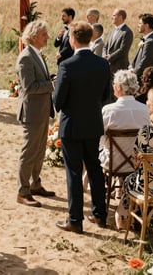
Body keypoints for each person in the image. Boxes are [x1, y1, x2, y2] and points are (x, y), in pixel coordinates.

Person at [54, 21, 111, 233]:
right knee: (95, 169)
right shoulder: (103, 64)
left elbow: (58, 102)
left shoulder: (67, 66)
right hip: (93, 123)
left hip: (71, 126)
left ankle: (75, 220)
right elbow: (106, 96)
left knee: (74, 173)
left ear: (72, 39)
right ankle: (100, 215)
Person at [16, 20, 55, 207]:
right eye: (44, 34)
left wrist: (49, 80)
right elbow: (29, 87)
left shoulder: (37, 54)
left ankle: (35, 184)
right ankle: (22, 191)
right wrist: (51, 85)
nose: (47, 37)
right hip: (32, 112)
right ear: (33, 36)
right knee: (29, 152)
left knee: (39, 151)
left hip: (42, 110)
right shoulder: (26, 57)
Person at [114, 87, 153, 230]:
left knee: (129, 179)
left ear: (152, 106)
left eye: (148, 102)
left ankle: (124, 217)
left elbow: (135, 161)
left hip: (148, 189)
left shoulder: (147, 132)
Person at [99, 70, 150, 175]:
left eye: (114, 84)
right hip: (138, 163)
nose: (112, 86)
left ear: (119, 87)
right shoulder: (145, 109)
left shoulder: (108, 110)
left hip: (113, 163)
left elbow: (100, 140)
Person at [103, 8, 133, 75]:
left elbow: (123, 49)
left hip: (119, 68)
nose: (112, 17)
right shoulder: (112, 31)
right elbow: (105, 46)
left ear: (120, 17)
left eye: (114, 15)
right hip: (108, 67)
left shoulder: (127, 32)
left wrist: (110, 57)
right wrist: (104, 56)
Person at [130, 13, 153, 83]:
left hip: (144, 79)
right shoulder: (147, 39)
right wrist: (131, 67)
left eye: (140, 23)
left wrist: (134, 73)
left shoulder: (151, 41)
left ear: (146, 26)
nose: (138, 25)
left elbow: (145, 62)